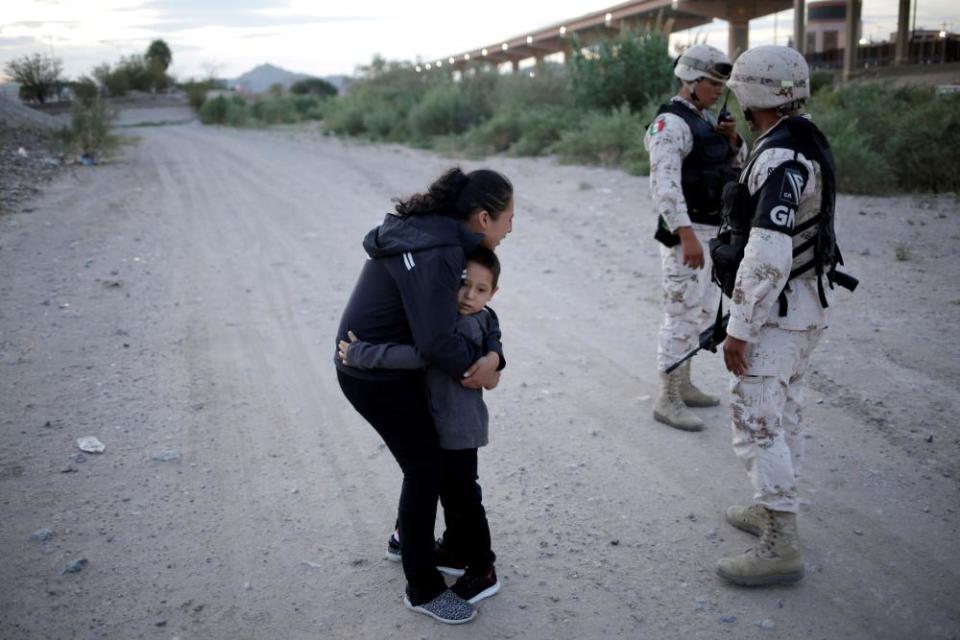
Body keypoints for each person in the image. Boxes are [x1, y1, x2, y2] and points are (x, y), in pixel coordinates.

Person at [335, 167, 513, 624]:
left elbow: (474, 322)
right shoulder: (438, 251)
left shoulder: (439, 238)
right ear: (482, 217)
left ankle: (418, 541)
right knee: (425, 468)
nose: (512, 228)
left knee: (430, 462)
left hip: (390, 365)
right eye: (509, 217)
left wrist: (493, 358)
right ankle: (423, 586)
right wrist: (481, 370)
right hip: (372, 371)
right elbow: (436, 345)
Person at [711, 45, 851, 586]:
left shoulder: (780, 157)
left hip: (778, 314)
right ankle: (772, 509)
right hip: (807, 308)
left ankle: (781, 543)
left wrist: (739, 331)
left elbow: (767, 251)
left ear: (750, 94)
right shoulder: (802, 140)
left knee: (756, 421)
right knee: (784, 413)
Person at [644, 43, 748, 432]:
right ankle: (667, 397)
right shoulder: (670, 124)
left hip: (710, 232)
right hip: (687, 235)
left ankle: (683, 384)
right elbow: (665, 185)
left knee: (701, 312)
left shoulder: (705, 122)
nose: (718, 88)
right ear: (689, 81)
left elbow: (736, 165)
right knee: (680, 314)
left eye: (721, 82)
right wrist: (684, 233)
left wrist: (732, 138)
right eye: (711, 81)